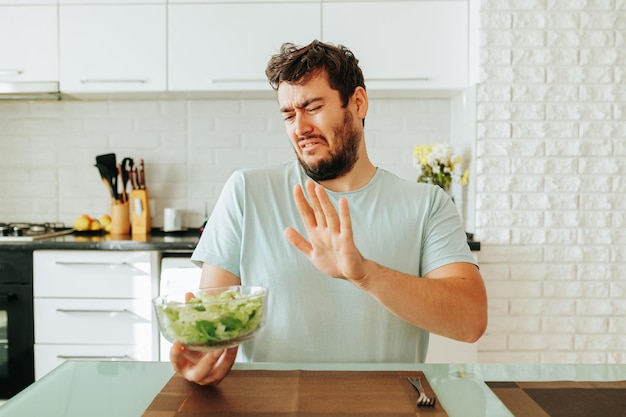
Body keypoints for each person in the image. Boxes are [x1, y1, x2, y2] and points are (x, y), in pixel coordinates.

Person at [171, 40, 487, 386]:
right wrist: (204, 357)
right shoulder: (246, 192)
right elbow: (215, 324)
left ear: (358, 103)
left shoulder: (427, 204)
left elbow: (470, 321)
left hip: (387, 407)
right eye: (289, 115)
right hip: (270, 405)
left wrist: (366, 274)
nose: (300, 127)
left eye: (313, 107)